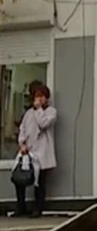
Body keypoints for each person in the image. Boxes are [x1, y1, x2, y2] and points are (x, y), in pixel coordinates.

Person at [15, 84, 56, 217]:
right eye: (37, 96)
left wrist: (39, 109)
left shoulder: (51, 112)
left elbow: (43, 123)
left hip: (42, 153)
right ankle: (21, 207)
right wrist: (22, 143)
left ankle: (38, 208)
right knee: (20, 178)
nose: (39, 99)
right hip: (28, 152)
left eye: (42, 96)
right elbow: (22, 129)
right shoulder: (28, 113)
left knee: (40, 181)